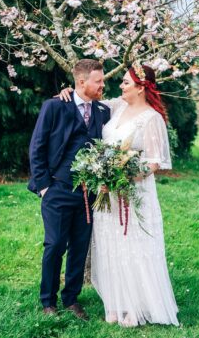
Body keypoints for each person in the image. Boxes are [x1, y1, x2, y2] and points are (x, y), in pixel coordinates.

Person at [58, 63, 179, 327]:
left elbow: (154, 163)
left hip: (132, 192)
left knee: (134, 246)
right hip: (108, 194)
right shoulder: (117, 106)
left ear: (141, 87)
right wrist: (69, 90)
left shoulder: (151, 118)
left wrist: (120, 178)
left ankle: (137, 307)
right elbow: (87, 96)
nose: (120, 86)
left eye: (125, 82)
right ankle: (116, 302)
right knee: (112, 246)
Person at [28, 59, 109, 320]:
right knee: (54, 245)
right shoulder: (54, 106)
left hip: (88, 194)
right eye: (99, 81)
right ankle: (47, 301)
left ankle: (71, 299)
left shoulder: (103, 111)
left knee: (79, 247)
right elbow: (37, 148)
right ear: (82, 82)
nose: (103, 85)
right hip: (57, 190)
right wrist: (44, 188)